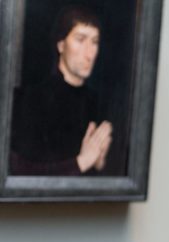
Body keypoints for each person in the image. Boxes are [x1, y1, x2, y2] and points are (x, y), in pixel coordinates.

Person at [10, 5, 112, 176]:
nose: (89, 54)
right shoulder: (32, 99)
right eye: (80, 39)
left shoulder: (96, 103)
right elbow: (19, 172)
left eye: (94, 42)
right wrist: (82, 162)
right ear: (61, 45)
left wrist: (100, 164)